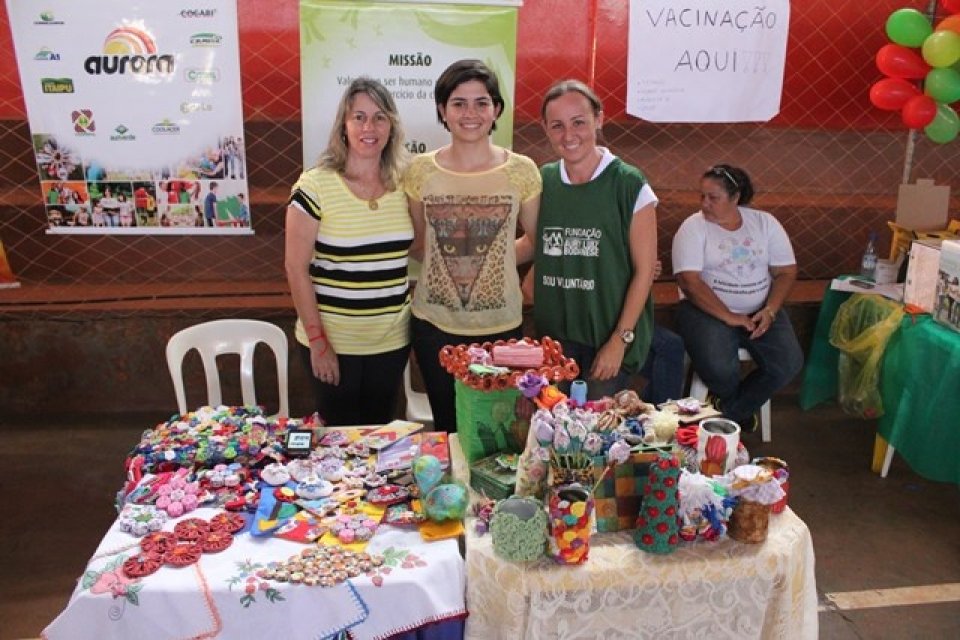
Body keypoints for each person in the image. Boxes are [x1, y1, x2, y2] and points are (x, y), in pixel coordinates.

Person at [404, 59, 541, 433]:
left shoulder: (522, 170)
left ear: (496, 109)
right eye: (458, 103)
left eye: (481, 103)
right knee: (448, 428)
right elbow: (420, 243)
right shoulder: (420, 171)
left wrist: (493, 260)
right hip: (435, 326)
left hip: (502, 326)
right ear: (442, 110)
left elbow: (537, 240)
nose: (470, 113)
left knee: (497, 431)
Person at [285, 77, 413, 425]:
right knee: (339, 443)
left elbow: (425, 247)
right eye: (358, 117)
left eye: (379, 117)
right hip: (333, 343)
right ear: (344, 125)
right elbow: (295, 269)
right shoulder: (315, 186)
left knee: (382, 437)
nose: (368, 127)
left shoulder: (406, 184)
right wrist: (318, 343)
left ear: (392, 126)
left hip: (390, 341)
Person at [532, 79, 656, 400]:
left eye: (579, 122)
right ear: (544, 127)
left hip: (608, 338)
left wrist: (619, 341)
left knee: (593, 435)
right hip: (556, 342)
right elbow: (535, 242)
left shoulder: (628, 184)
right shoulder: (542, 181)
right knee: (553, 430)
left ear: (598, 119)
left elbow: (645, 271)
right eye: (557, 125)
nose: (569, 135)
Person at [672, 164, 803, 431]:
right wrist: (730, 317)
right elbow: (689, 281)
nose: (704, 204)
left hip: (758, 309)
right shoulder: (693, 227)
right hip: (705, 311)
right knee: (720, 369)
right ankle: (738, 411)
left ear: (735, 197)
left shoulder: (764, 223)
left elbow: (786, 272)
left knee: (788, 364)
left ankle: (727, 412)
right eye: (702, 196)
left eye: (713, 197)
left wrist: (770, 310)